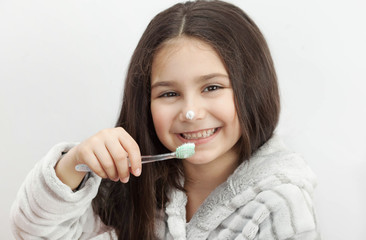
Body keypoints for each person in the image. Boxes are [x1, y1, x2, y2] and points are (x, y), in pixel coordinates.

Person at [10, 0, 320, 239]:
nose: (190, 112)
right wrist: (73, 163)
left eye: (212, 87)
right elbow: (32, 232)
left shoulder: (280, 203)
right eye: (169, 94)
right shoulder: (134, 185)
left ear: (252, 89)